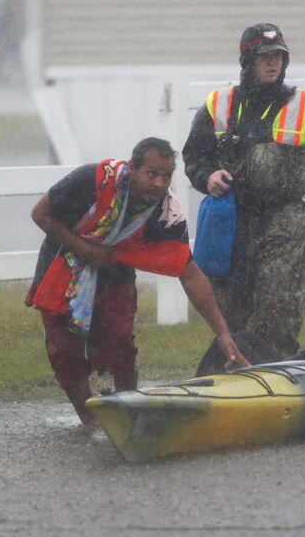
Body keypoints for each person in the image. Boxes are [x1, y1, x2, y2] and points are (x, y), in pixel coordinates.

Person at [182, 23, 305, 357]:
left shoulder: (303, 104)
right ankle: (238, 377)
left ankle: (276, 380)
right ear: (247, 62)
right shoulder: (218, 104)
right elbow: (194, 156)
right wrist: (207, 177)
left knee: (278, 310)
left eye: (278, 57)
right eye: (264, 57)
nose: (272, 63)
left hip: (284, 224)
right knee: (231, 314)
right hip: (233, 224)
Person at [26, 137, 250, 427]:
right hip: (63, 263)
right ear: (132, 168)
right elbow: (40, 213)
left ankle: (127, 418)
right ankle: (89, 419)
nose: (159, 183)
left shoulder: (167, 213)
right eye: (151, 173)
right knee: (64, 349)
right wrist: (87, 250)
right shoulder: (92, 180)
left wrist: (223, 334)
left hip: (114, 269)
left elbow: (190, 273)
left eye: (166, 176)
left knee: (119, 339)